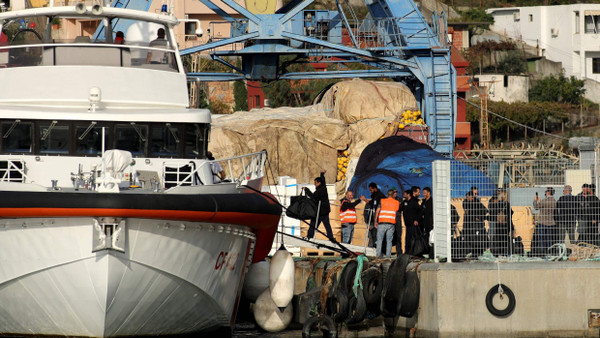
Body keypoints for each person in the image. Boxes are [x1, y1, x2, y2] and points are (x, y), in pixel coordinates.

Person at [304, 171, 334, 241]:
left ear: (318, 183)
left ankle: (309, 236)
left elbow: (313, 196)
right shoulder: (323, 187)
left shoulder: (320, 191)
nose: (314, 184)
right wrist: (322, 174)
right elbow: (323, 180)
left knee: (313, 224)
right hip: (325, 210)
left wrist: (306, 190)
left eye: (315, 183)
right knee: (327, 225)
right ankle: (331, 237)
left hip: (320, 212)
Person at [375, 189, 400, 258]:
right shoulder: (396, 202)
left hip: (381, 222)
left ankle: (378, 255)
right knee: (389, 241)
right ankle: (388, 256)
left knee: (379, 240)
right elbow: (396, 210)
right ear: (393, 195)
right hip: (391, 223)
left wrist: (375, 221)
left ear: (387, 194)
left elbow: (377, 211)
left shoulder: (382, 201)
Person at [488, 188, 513, 256]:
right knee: (504, 239)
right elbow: (511, 212)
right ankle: (504, 253)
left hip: (499, 224)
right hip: (505, 224)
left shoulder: (498, 203)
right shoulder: (506, 204)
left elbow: (491, 210)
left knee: (498, 238)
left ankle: (498, 252)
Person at [462, 190, 488, 257]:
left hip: (476, 225)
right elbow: (468, 212)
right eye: (467, 197)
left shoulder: (477, 203)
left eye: (469, 197)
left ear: (472, 197)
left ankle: (477, 252)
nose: (467, 198)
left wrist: (479, 217)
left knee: (476, 239)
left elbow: (485, 210)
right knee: (468, 238)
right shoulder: (465, 202)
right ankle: (469, 251)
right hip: (468, 224)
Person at [533, 187, 557, 256]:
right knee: (549, 238)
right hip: (550, 222)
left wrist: (536, 201)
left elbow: (537, 207)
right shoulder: (554, 201)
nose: (545, 193)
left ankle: (542, 251)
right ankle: (550, 251)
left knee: (541, 238)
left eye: (546, 191)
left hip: (543, 222)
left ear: (548, 192)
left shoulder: (545, 201)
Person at [362, 182, 385, 248]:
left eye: (371, 190)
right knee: (371, 235)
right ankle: (371, 248)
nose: (370, 191)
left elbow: (378, 209)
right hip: (372, 220)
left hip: (378, 220)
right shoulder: (374, 197)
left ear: (375, 188)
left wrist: (376, 221)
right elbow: (371, 204)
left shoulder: (380, 196)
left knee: (376, 235)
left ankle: (377, 249)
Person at [403, 188, 424, 256]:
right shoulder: (405, 202)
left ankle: (413, 252)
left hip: (413, 224)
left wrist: (416, 220)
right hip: (407, 224)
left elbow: (420, 211)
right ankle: (407, 252)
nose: (420, 194)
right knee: (408, 238)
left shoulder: (414, 202)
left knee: (413, 238)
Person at [421, 187, 433, 256]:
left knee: (431, 238)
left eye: (425, 193)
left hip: (430, 223)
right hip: (425, 223)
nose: (423, 194)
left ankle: (431, 252)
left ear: (429, 193)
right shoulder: (424, 202)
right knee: (426, 237)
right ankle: (427, 251)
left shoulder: (432, 202)